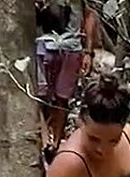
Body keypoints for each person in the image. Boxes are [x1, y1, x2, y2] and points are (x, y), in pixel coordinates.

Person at [35, 0, 98, 164]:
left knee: (62, 97)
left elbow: (90, 14)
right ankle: (44, 138)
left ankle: (55, 142)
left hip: (71, 47)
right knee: (39, 96)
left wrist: (89, 52)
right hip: (43, 45)